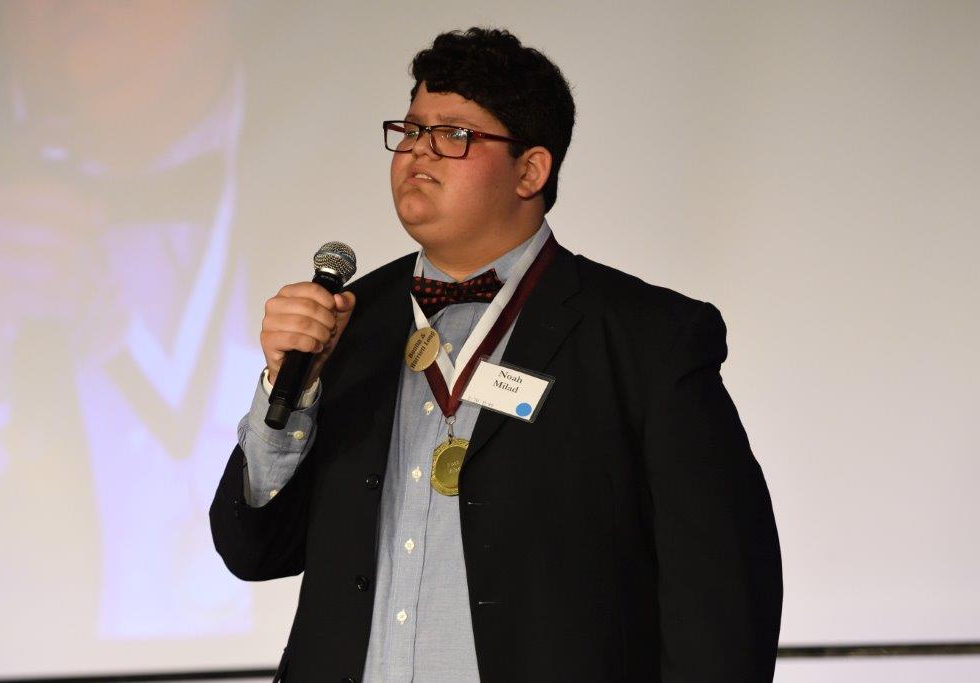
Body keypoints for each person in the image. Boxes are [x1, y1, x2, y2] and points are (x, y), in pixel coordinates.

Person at [210, 27, 782, 682]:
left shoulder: (648, 338)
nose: (417, 150)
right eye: (411, 130)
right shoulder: (344, 323)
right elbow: (254, 551)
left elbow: (723, 596)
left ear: (530, 171)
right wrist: (290, 389)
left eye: (453, 134)